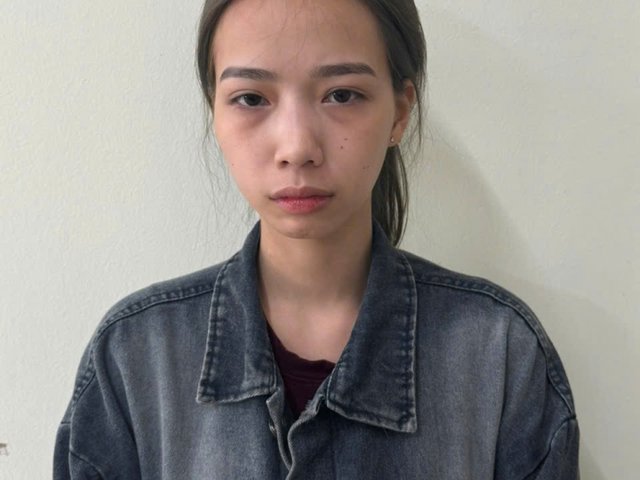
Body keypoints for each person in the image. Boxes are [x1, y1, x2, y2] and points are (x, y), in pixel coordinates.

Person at [54, 0, 580, 478]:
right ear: (215, 112)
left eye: (342, 95)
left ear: (399, 111)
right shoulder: (135, 357)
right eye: (251, 98)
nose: (297, 147)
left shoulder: (497, 353)